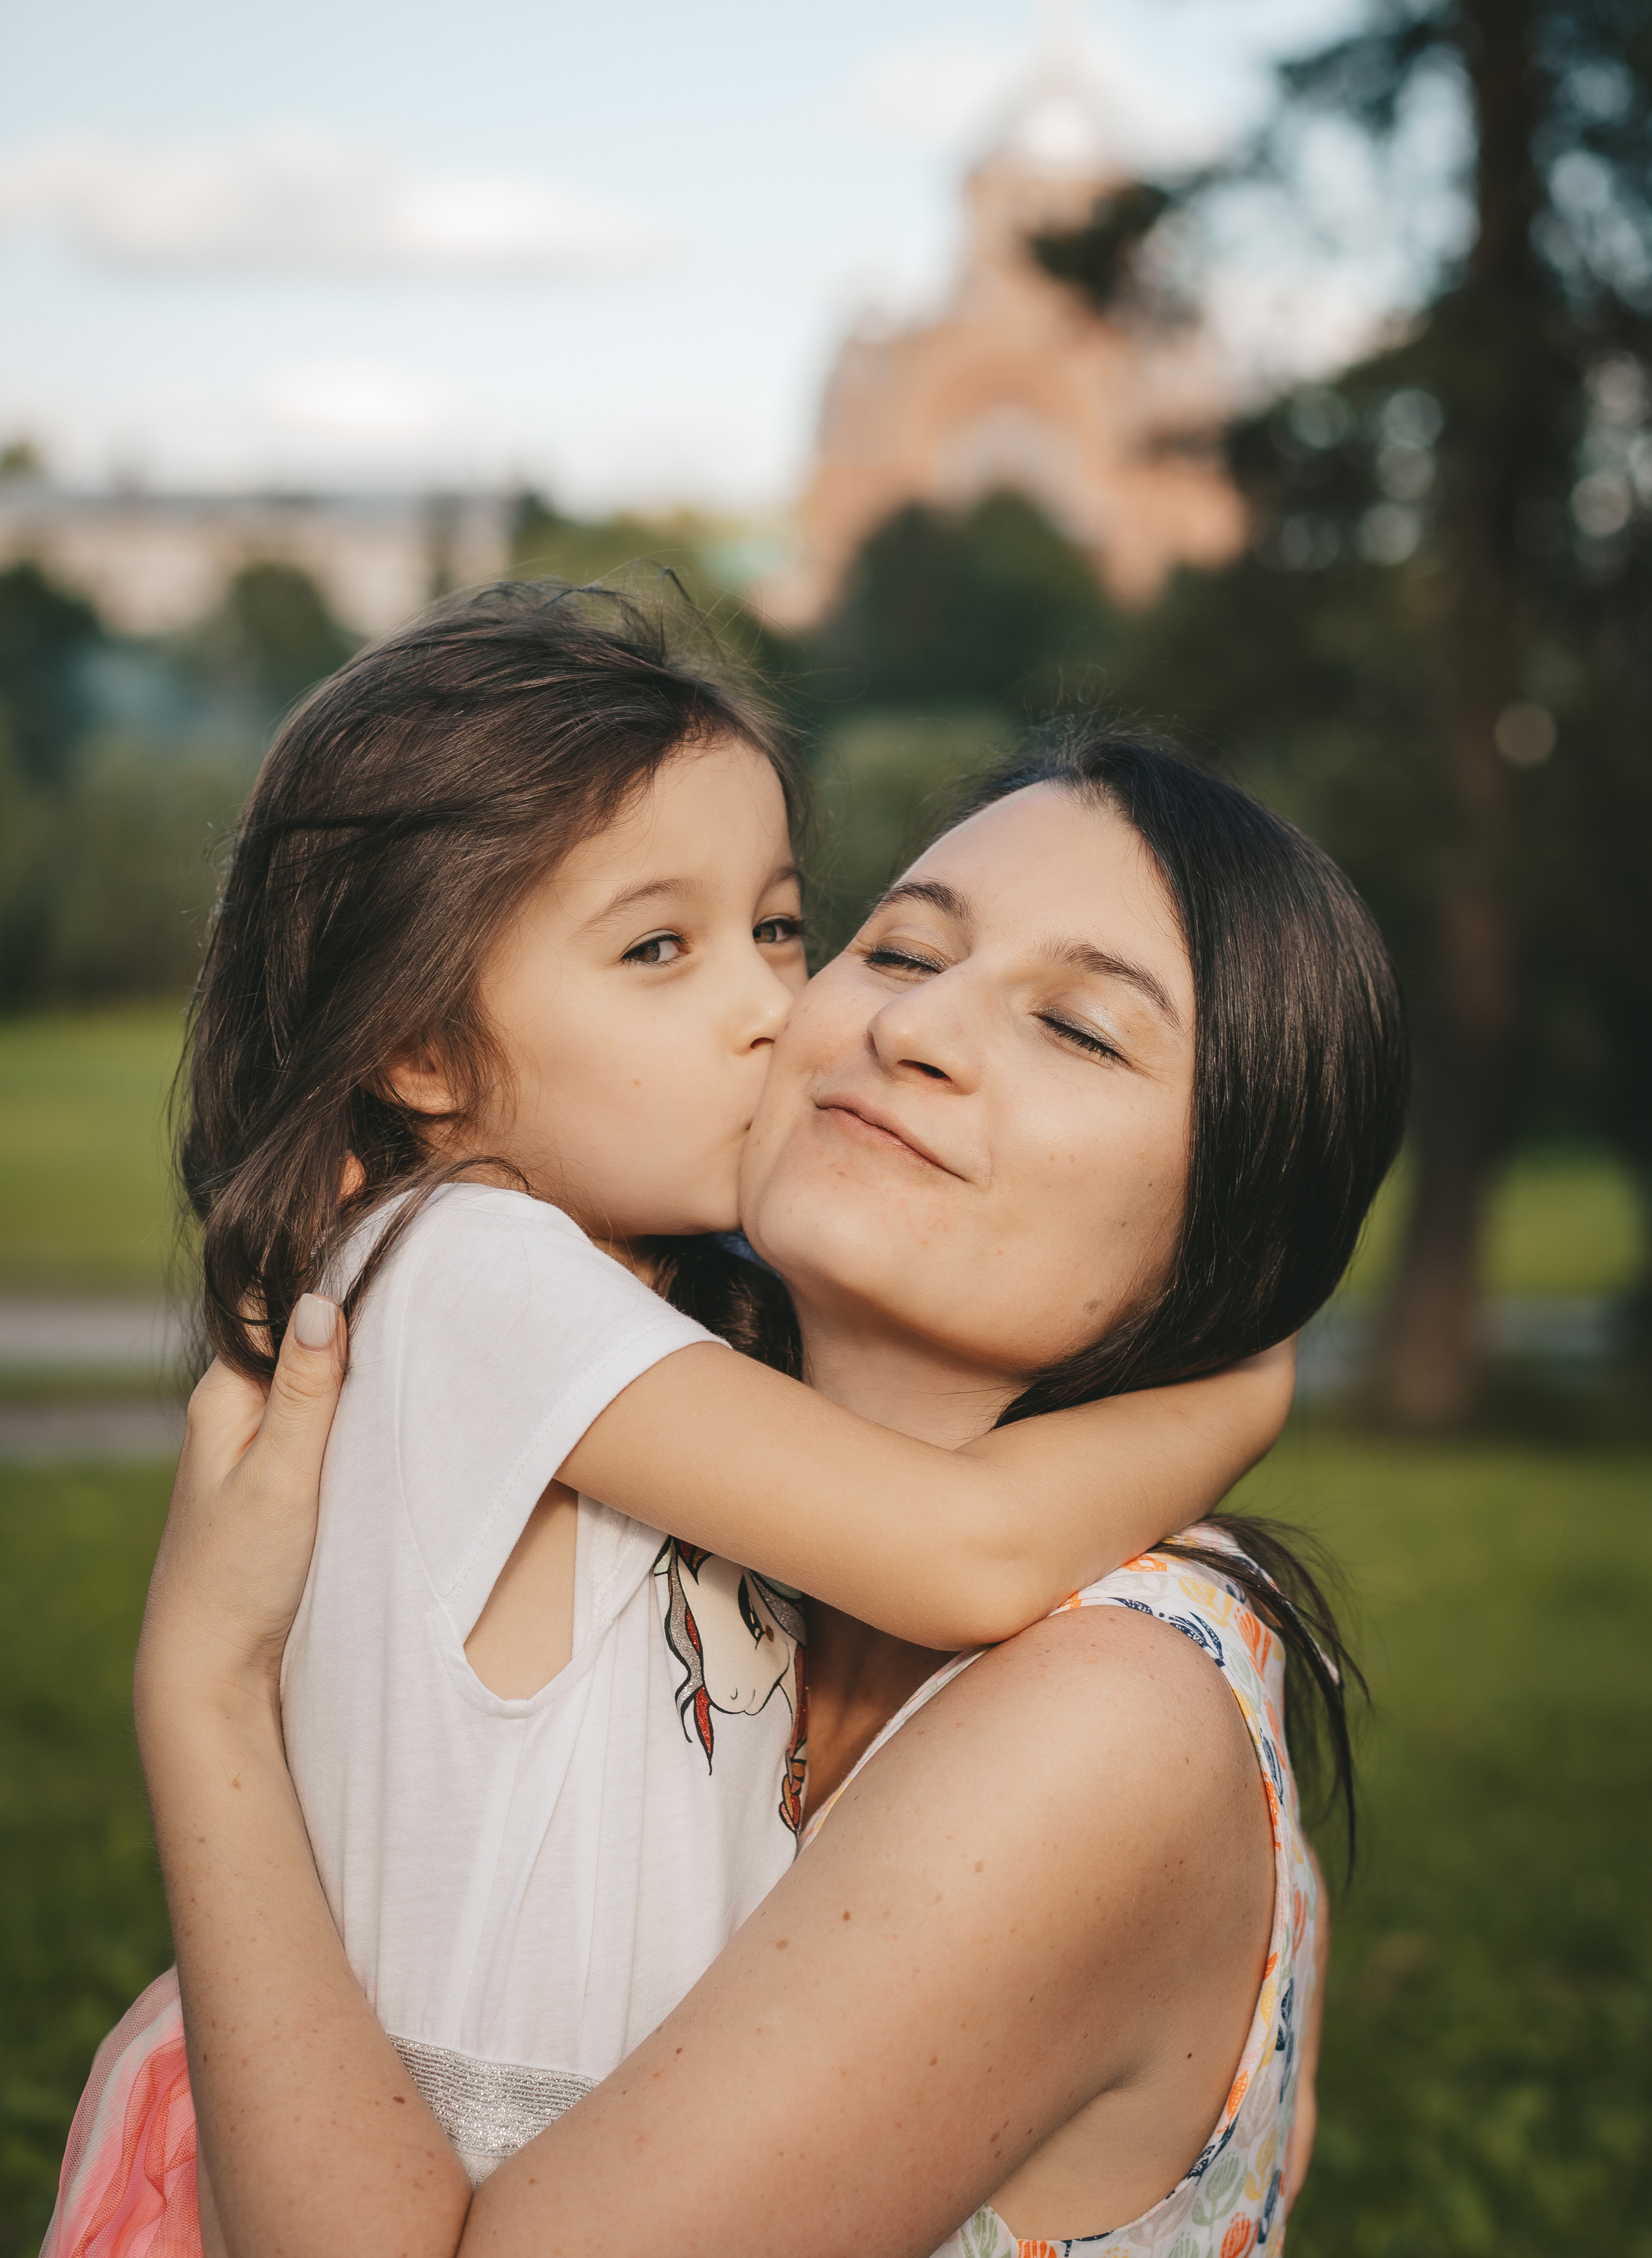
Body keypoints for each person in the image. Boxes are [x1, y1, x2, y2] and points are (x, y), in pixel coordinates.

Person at [41, 590, 1283, 2257]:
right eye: (659, 950)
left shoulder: (637, 1320)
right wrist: (1243, 1387)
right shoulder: (465, 1261)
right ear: (417, 1042)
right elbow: (963, 1547)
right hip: (438, 2134)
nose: (781, 1009)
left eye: (781, 929)